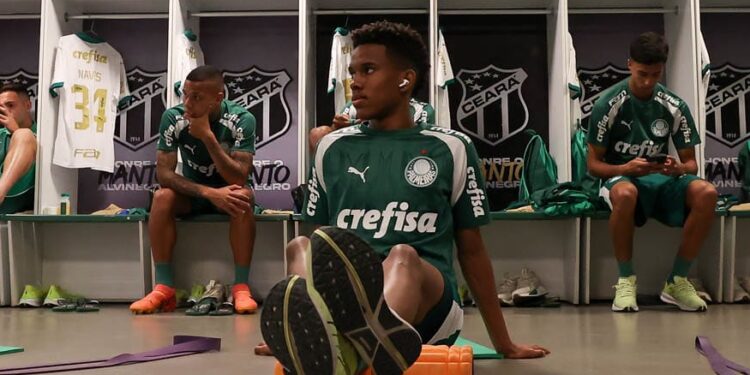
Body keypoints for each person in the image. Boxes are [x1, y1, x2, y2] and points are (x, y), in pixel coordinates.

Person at [256, 21, 549, 375]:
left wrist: (504, 343)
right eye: (352, 72)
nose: (355, 82)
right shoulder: (332, 147)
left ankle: (344, 350)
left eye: (368, 70)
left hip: (428, 307)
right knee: (300, 246)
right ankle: (323, 337)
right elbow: (323, 247)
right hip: (349, 298)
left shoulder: (451, 148)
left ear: (405, 80)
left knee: (402, 257)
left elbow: (472, 250)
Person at [587, 32, 718, 312]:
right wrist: (625, 167)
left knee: (706, 192)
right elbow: (593, 165)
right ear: (629, 64)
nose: (648, 81)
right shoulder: (607, 104)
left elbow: (691, 164)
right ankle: (625, 281)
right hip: (620, 177)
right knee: (624, 192)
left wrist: (678, 168)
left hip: (661, 179)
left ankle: (677, 281)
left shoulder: (674, 105)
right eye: (642, 73)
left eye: (655, 74)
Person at [129, 65, 259, 314]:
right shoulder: (173, 117)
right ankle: (164, 287)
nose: (188, 103)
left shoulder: (242, 119)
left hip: (230, 192)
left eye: (197, 97)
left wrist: (207, 137)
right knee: (162, 196)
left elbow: (239, 177)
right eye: (185, 95)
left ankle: (241, 287)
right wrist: (209, 193)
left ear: (218, 98)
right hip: (196, 194)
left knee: (242, 196)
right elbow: (164, 174)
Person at [308, 98, 435, 152]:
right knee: (318, 134)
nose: (355, 83)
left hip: (401, 158)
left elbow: (422, 147)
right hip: (357, 157)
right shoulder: (354, 106)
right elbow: (336, 130)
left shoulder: (421, 109)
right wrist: (337, 129)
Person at [0, 84, 37, 214]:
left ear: (27, 105)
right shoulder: (1, 134)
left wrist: (15, 131)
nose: (5, 111)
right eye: (1, 107)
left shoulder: (44, 134)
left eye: (10, 105)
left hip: (22, 197)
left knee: (24, 134)